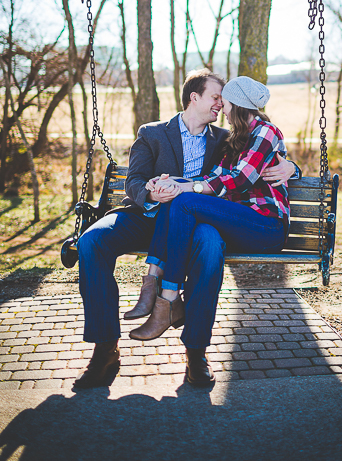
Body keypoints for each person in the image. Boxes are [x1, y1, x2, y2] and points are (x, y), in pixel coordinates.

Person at [74, 69, 295, 389]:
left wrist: (291, 166)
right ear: (195, 97)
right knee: (91, 242)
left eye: (224, 99)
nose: (220, 104)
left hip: (197, 220)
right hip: (146, 217)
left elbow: (257, 162)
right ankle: (105, 348)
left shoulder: (226, 137)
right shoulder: (153, 133)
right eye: (215, 97)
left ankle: (195, 351)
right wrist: (153, 191)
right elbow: (134, 181)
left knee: (209, 247)